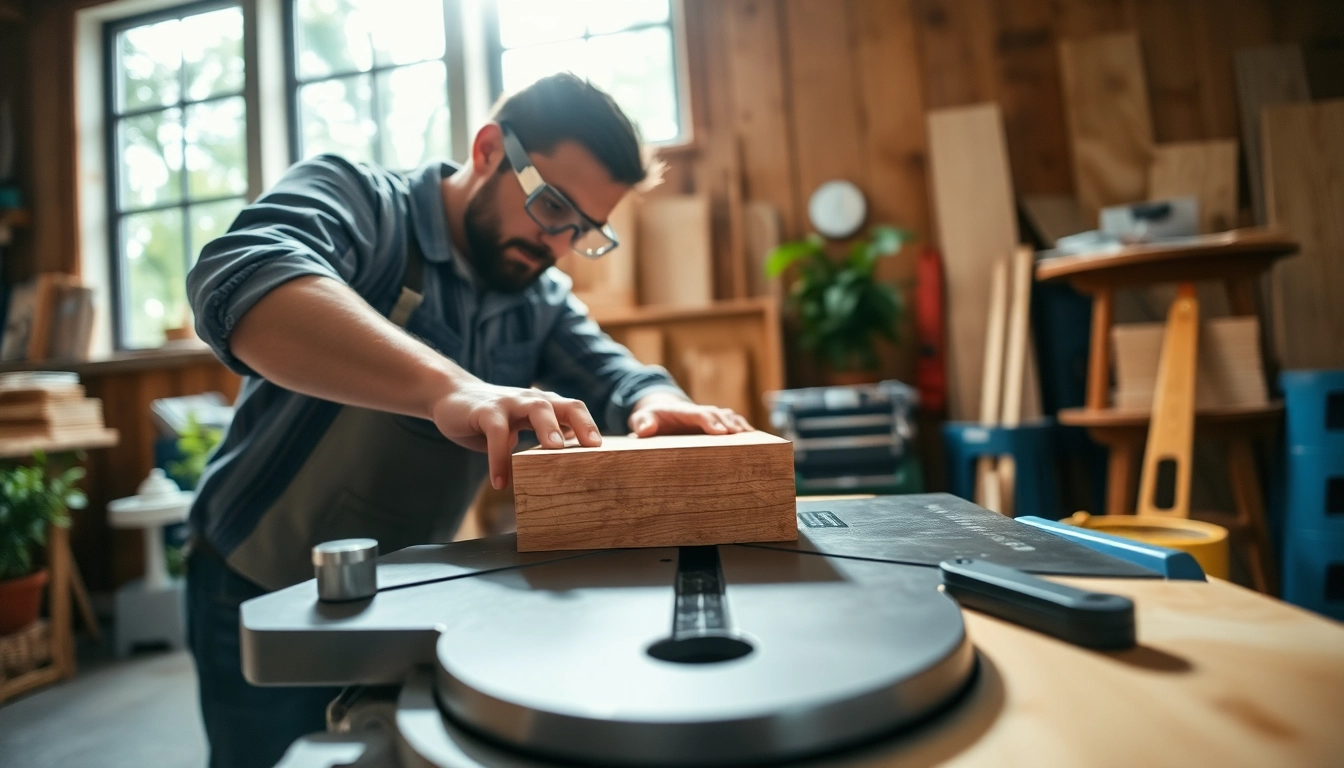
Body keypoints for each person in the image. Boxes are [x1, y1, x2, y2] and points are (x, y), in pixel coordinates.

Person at [183, 72, 751, 768]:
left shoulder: (536, 294)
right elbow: (242, 278)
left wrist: (654, 400)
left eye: (587, 230)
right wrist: (449, 388)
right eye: (551, 206)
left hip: (402, 593)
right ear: (488, 150)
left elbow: (612, 372)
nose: (560, 243)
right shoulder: (367, 204)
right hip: (255, 574)